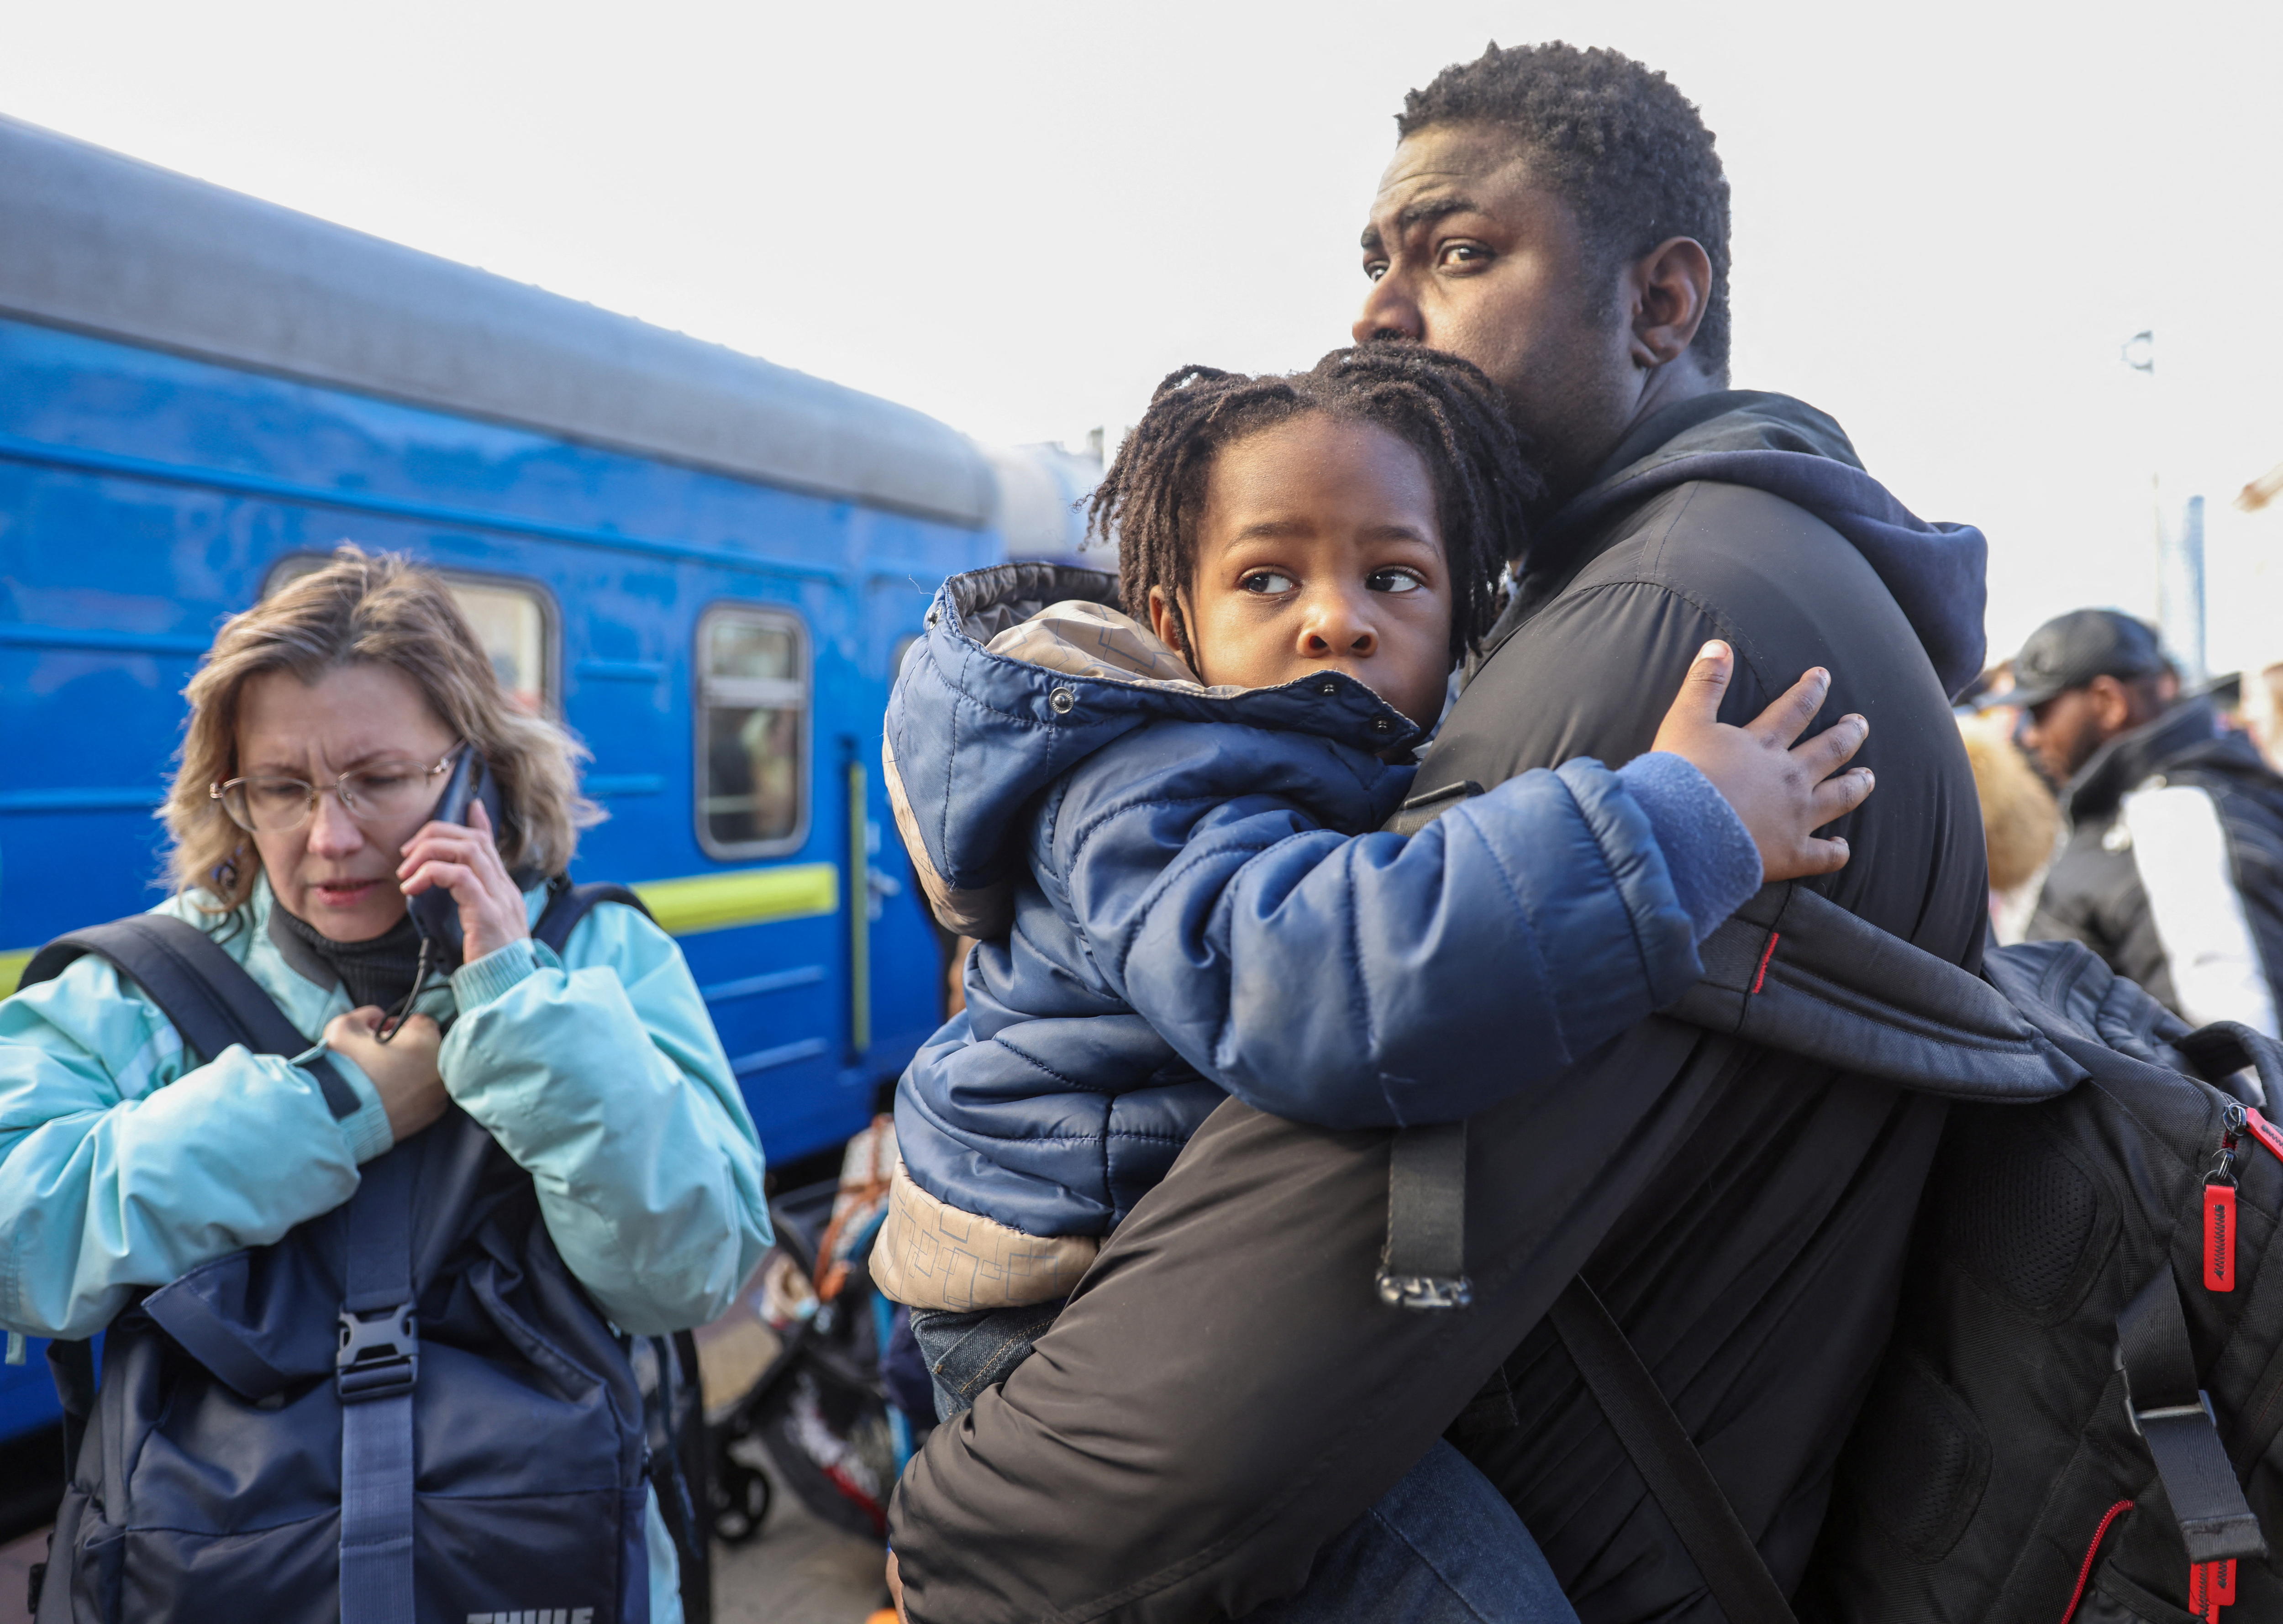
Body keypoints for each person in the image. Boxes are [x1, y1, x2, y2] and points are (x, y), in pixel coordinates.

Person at [887, 42, 1990, 1624]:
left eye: (1458, 252)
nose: (1378, 313)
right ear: (1172, 615)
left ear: (1660, 306)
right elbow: (1352, 989)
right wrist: (1680, 823)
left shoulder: (1660, 617)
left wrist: (985, 1547)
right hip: (1058, 1294)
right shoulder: (1167, 773)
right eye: (1270, 578)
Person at [0, 548, 770, 1622]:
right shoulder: (138, 988)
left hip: (541, 1569)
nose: (331, 835)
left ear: (472, 774)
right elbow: (16, 1243)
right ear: (232, 794)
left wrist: (514, 999)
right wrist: (330, 1108)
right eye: (282, 787)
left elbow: (684, 1272)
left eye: (378, 778)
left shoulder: (597, 959)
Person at [2013, 608, 2283, 1040]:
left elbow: (2247, 1047)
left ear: (2108, 702)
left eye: (2040, 711)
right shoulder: (2144, 799)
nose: (2030, 735)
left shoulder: (2171, 814)